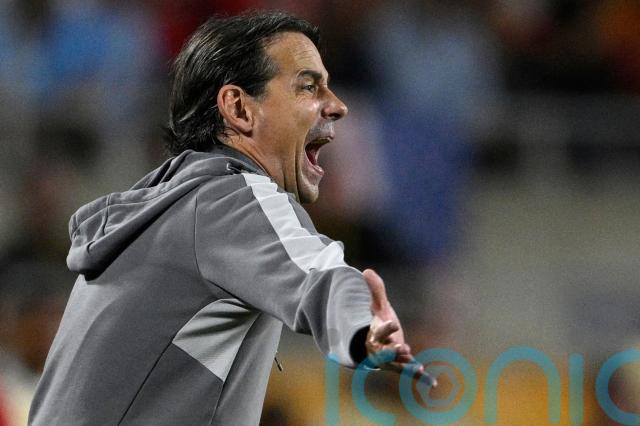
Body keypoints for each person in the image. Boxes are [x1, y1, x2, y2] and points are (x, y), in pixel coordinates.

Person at [29, 11, 430, 425]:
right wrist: (362, 325)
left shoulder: (169, 213)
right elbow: (320, 275)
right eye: (308, 86)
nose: (337, 105)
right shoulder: (231, 198)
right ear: (239, 108)